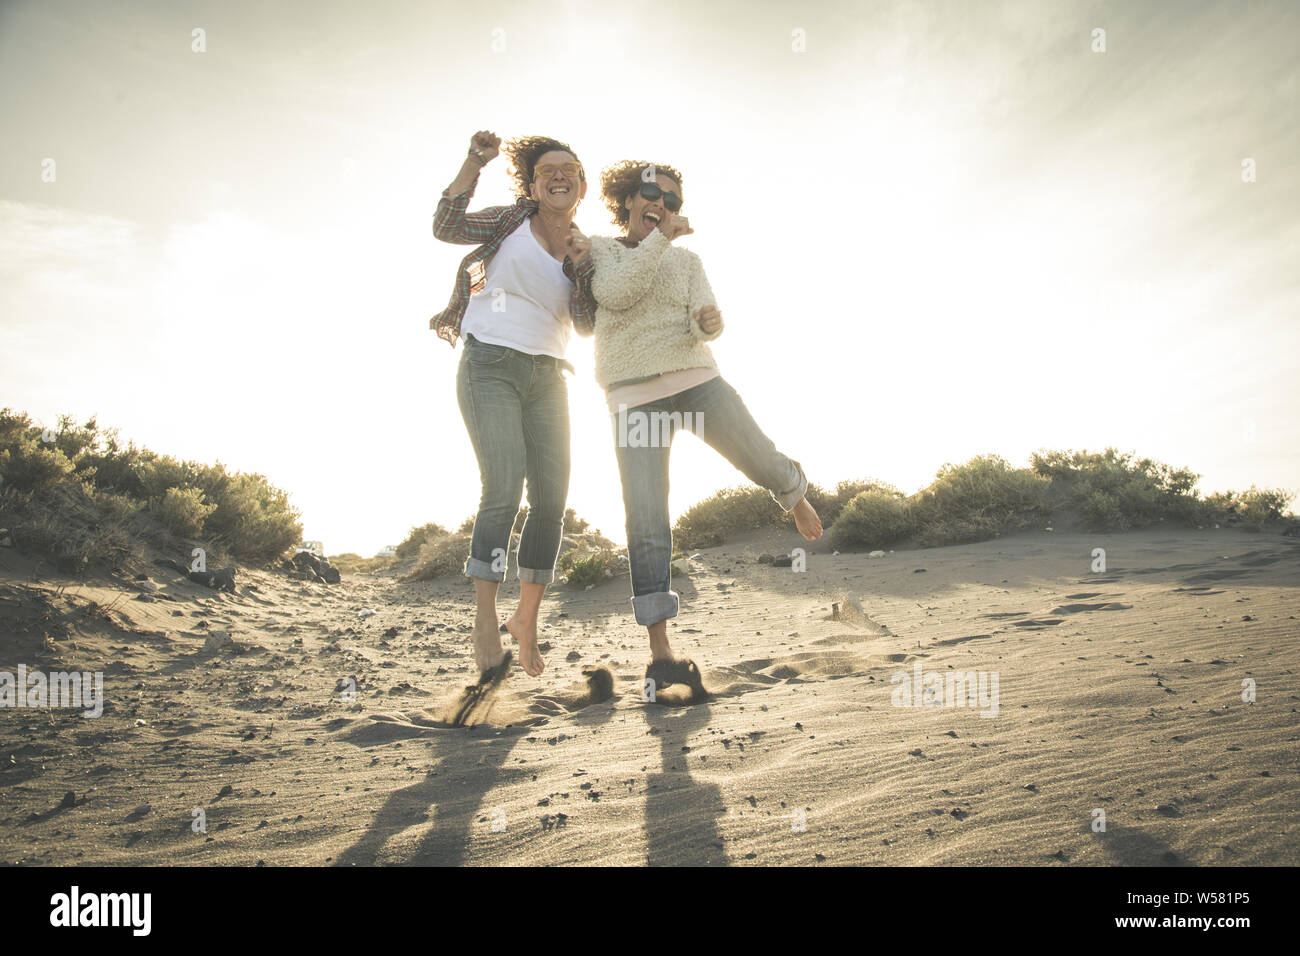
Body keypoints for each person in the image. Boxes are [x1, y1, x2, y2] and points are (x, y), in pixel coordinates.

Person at [572, 160, 822, 696]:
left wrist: (710, 322)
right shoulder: (604, 250)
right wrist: (661, 239)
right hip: (633, 398)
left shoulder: (687, 259)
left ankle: (792, 490)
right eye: (652, 193)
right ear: (627, 199)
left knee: (755, 454)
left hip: (694, 379)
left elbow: (704, 314)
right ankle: (661, 654)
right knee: (646, 517)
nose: (662, 203)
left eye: (672, 200)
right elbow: (616, 294)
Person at [430, 130, 594, 679]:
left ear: (582, 184)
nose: (558, 174)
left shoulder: (581, 248)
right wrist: (473, 162)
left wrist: (584, 267)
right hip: (490, 366)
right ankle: (484, 617)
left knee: (550, 500)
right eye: (547, 168)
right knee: (503, 486)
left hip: (550, 377)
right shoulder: (509, 222)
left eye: (569, 167)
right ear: (531, 184)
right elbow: (446, 226)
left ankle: (526, 618)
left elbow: (589, 325)